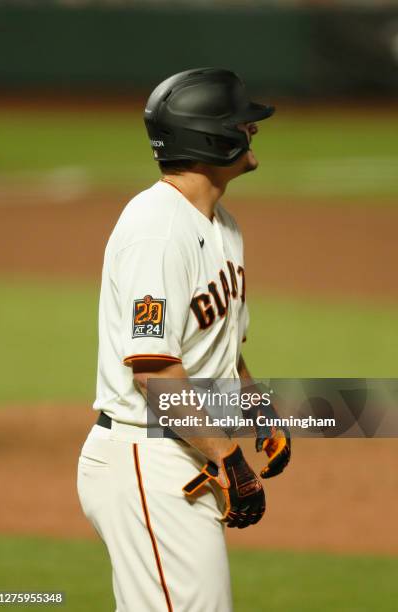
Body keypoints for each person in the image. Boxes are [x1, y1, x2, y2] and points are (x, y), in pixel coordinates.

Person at [77, 67, 291, 612]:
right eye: (244, 123)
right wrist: (228, 456)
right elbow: (152, 370)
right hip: (147, 459)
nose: (254, 131)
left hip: (178, 453)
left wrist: (259, 416)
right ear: (212, 137)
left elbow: (220, 347)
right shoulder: (157, 230)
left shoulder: (222, 226)